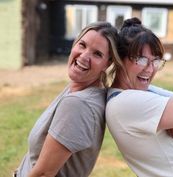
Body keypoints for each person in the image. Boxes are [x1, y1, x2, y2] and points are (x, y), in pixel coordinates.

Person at [106, 17, 173, 177]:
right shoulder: (125, 102)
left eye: (156, 61)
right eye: (141, 59)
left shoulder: (138, 90)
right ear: (119, 59)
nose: (150, 69)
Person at [14, 21, 120, 177]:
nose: (84, 56)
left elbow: (43, 173)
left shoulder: (78, 104)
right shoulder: (78, 88)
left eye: (97, 54)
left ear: (108, 63)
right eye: (82, 45)